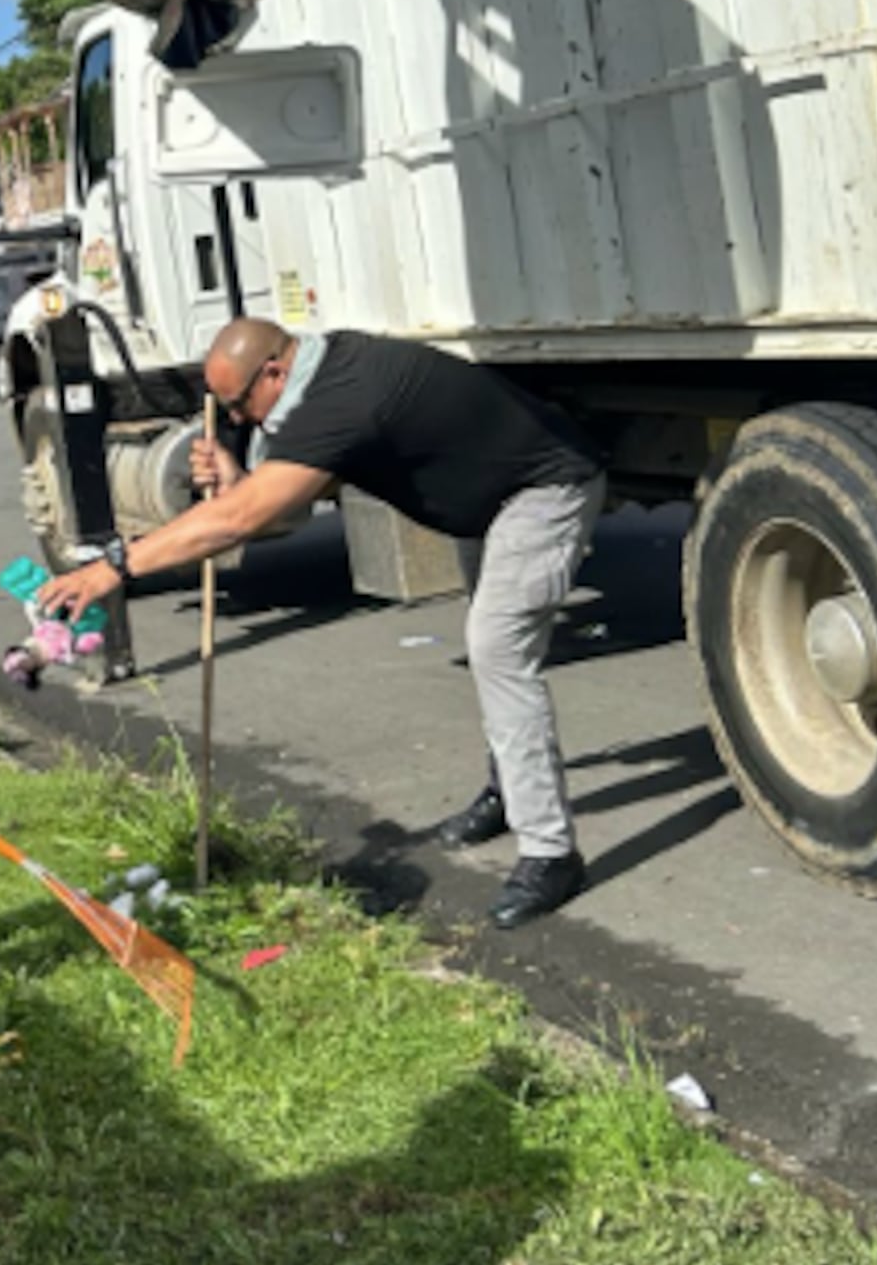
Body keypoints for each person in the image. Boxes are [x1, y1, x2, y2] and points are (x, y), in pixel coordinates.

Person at [39, 319, 608, 929]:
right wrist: (239, 482)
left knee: (496, 648)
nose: (241, 419)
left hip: (544, 489)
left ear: (275, 373)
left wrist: (116, 566)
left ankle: (551, 854)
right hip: (489, 501)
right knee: (495, 657)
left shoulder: (343, 396)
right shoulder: (316, 376)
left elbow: (240, 521)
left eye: (239, 405)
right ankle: (509, 795)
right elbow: (287, 506)